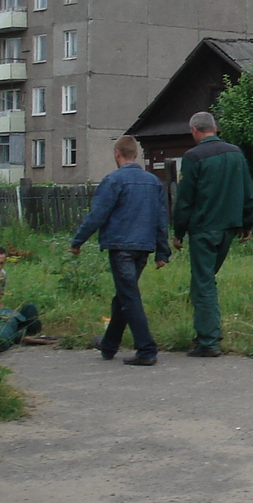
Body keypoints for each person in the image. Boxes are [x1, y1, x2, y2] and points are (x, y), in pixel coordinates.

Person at [70, 135, 171, 367]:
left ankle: (146, 349)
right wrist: (162, 252)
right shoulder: (153, 182)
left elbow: (98, 214)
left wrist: (78, 241)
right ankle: (109, 345)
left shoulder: (113, 181)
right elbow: (160, 219)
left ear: (117, 153)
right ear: (136, 154)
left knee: (129, 297)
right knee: (123, 297)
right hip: (143, 248)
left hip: (121, 246)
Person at [172, 111, 253, 357]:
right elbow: (249, 193)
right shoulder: (236, 153)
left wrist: (178, 232)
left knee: (203, 281)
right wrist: (247, 224)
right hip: (229, 226)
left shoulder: (193, 156)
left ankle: (208, 341)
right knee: (207, 279)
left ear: (194, 131)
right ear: (215, 128)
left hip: (204, 228)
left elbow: (185, 200)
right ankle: (207, 332)